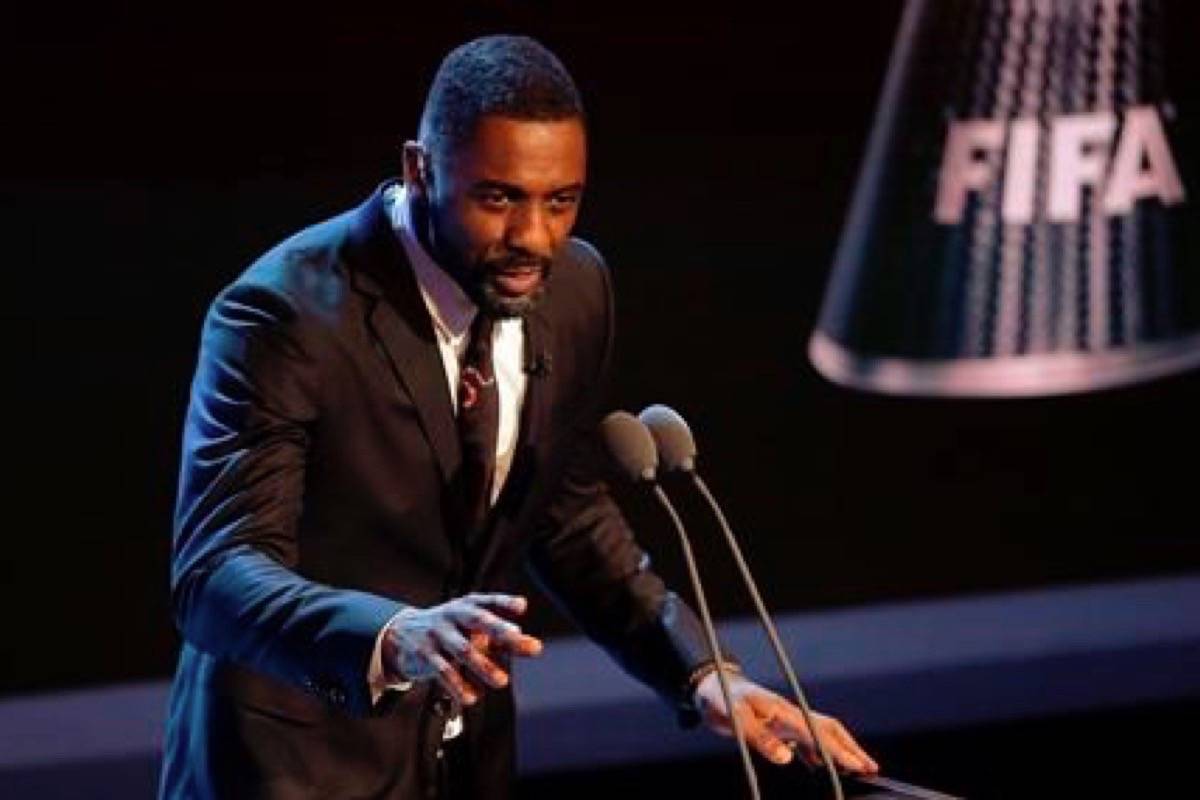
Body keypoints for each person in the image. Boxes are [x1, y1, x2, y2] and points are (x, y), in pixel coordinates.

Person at [159, 34, 877, 800]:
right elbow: (214, 577)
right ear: (419, 169)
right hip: (291, 765)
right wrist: (395, 635)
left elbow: (560, 514)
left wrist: (702, 674)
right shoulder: (286, 314)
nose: (534, 238)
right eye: (497, 198)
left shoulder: (575, 290)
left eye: (560, 200)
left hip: (466, 762)